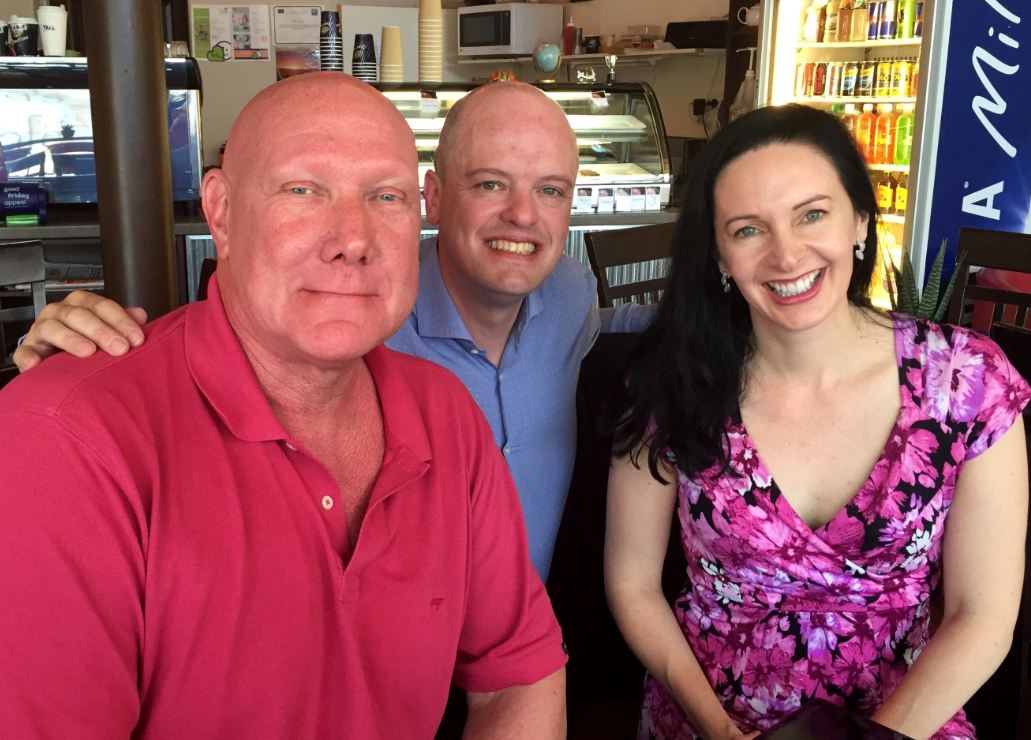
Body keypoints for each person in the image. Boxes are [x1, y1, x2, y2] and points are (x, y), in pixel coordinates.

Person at [0, 73, 567, 737]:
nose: (353, 239)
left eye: (384, 196)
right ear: (221, 211)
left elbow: (518, 675)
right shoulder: (65, 442)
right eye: (303, 190)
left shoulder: (445, 413)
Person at [13, 80, 651, 579]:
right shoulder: (355, 316)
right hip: (377, 651)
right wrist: (75, 361)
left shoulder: (570, 298)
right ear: (432, 197)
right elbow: (221, 348)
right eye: (490, 183)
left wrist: (711, 304)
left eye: (551, 191)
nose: (523, 215)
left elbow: (623, 326)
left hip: (514, 636)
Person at [604, 104, 1029, 739]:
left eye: (812, 215)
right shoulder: (672, 382)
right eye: (748, 230)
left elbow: (982, 615)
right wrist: (718, 730)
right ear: (718, 255)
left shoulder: (966, 380)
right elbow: (633, 583)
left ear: (859, 219)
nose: (786, 254)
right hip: (710, 720)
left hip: (904, 723)